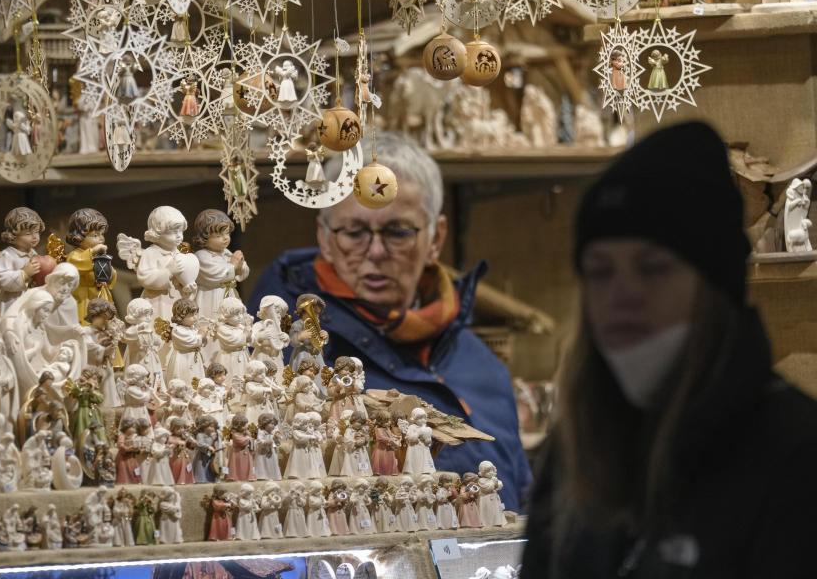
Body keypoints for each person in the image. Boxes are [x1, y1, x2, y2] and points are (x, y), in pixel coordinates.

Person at [520, 122, 817, 577]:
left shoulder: (795, 456)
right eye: (601, 272)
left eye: (653, 268)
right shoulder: (577, 450)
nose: (622, 294)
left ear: (714, 285)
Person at [248, 132, 530, 511]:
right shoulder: (295, 358)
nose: (376, 252)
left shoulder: (482, 366)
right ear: (325, 237)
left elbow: (522, 501)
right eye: (354, 232)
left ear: (436, 237)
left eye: (398, 231)